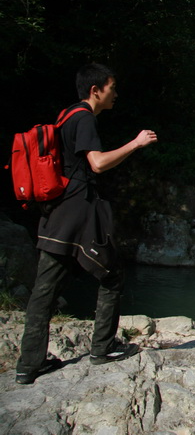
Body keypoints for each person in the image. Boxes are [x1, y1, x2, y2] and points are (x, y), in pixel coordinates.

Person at [16, 63, 158, 385]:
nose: (116, 94)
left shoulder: (65, 115)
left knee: (44, 291)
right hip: (80, 213)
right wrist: (135, 143)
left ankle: (28, 365)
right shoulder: (85, 119)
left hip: (55, 213)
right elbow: (97, 164)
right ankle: (103, 347)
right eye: (112, 88)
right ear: (96, 91)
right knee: (112, 276)